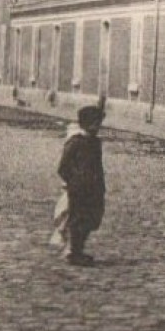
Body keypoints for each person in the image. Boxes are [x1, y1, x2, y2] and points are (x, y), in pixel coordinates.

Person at [56, 104, 107, 266]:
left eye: (98, 123)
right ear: (85, 124)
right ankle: (74, 252)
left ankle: (79, 250)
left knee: (91, 219)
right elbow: (63, 167)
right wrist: (74, 183)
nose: (97, 127)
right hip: (79, 190)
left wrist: (100, 184)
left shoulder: (95, 143)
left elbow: (98, 165)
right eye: (95, 123)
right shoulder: (75, 142)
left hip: (95, 189)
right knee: (78, 220)